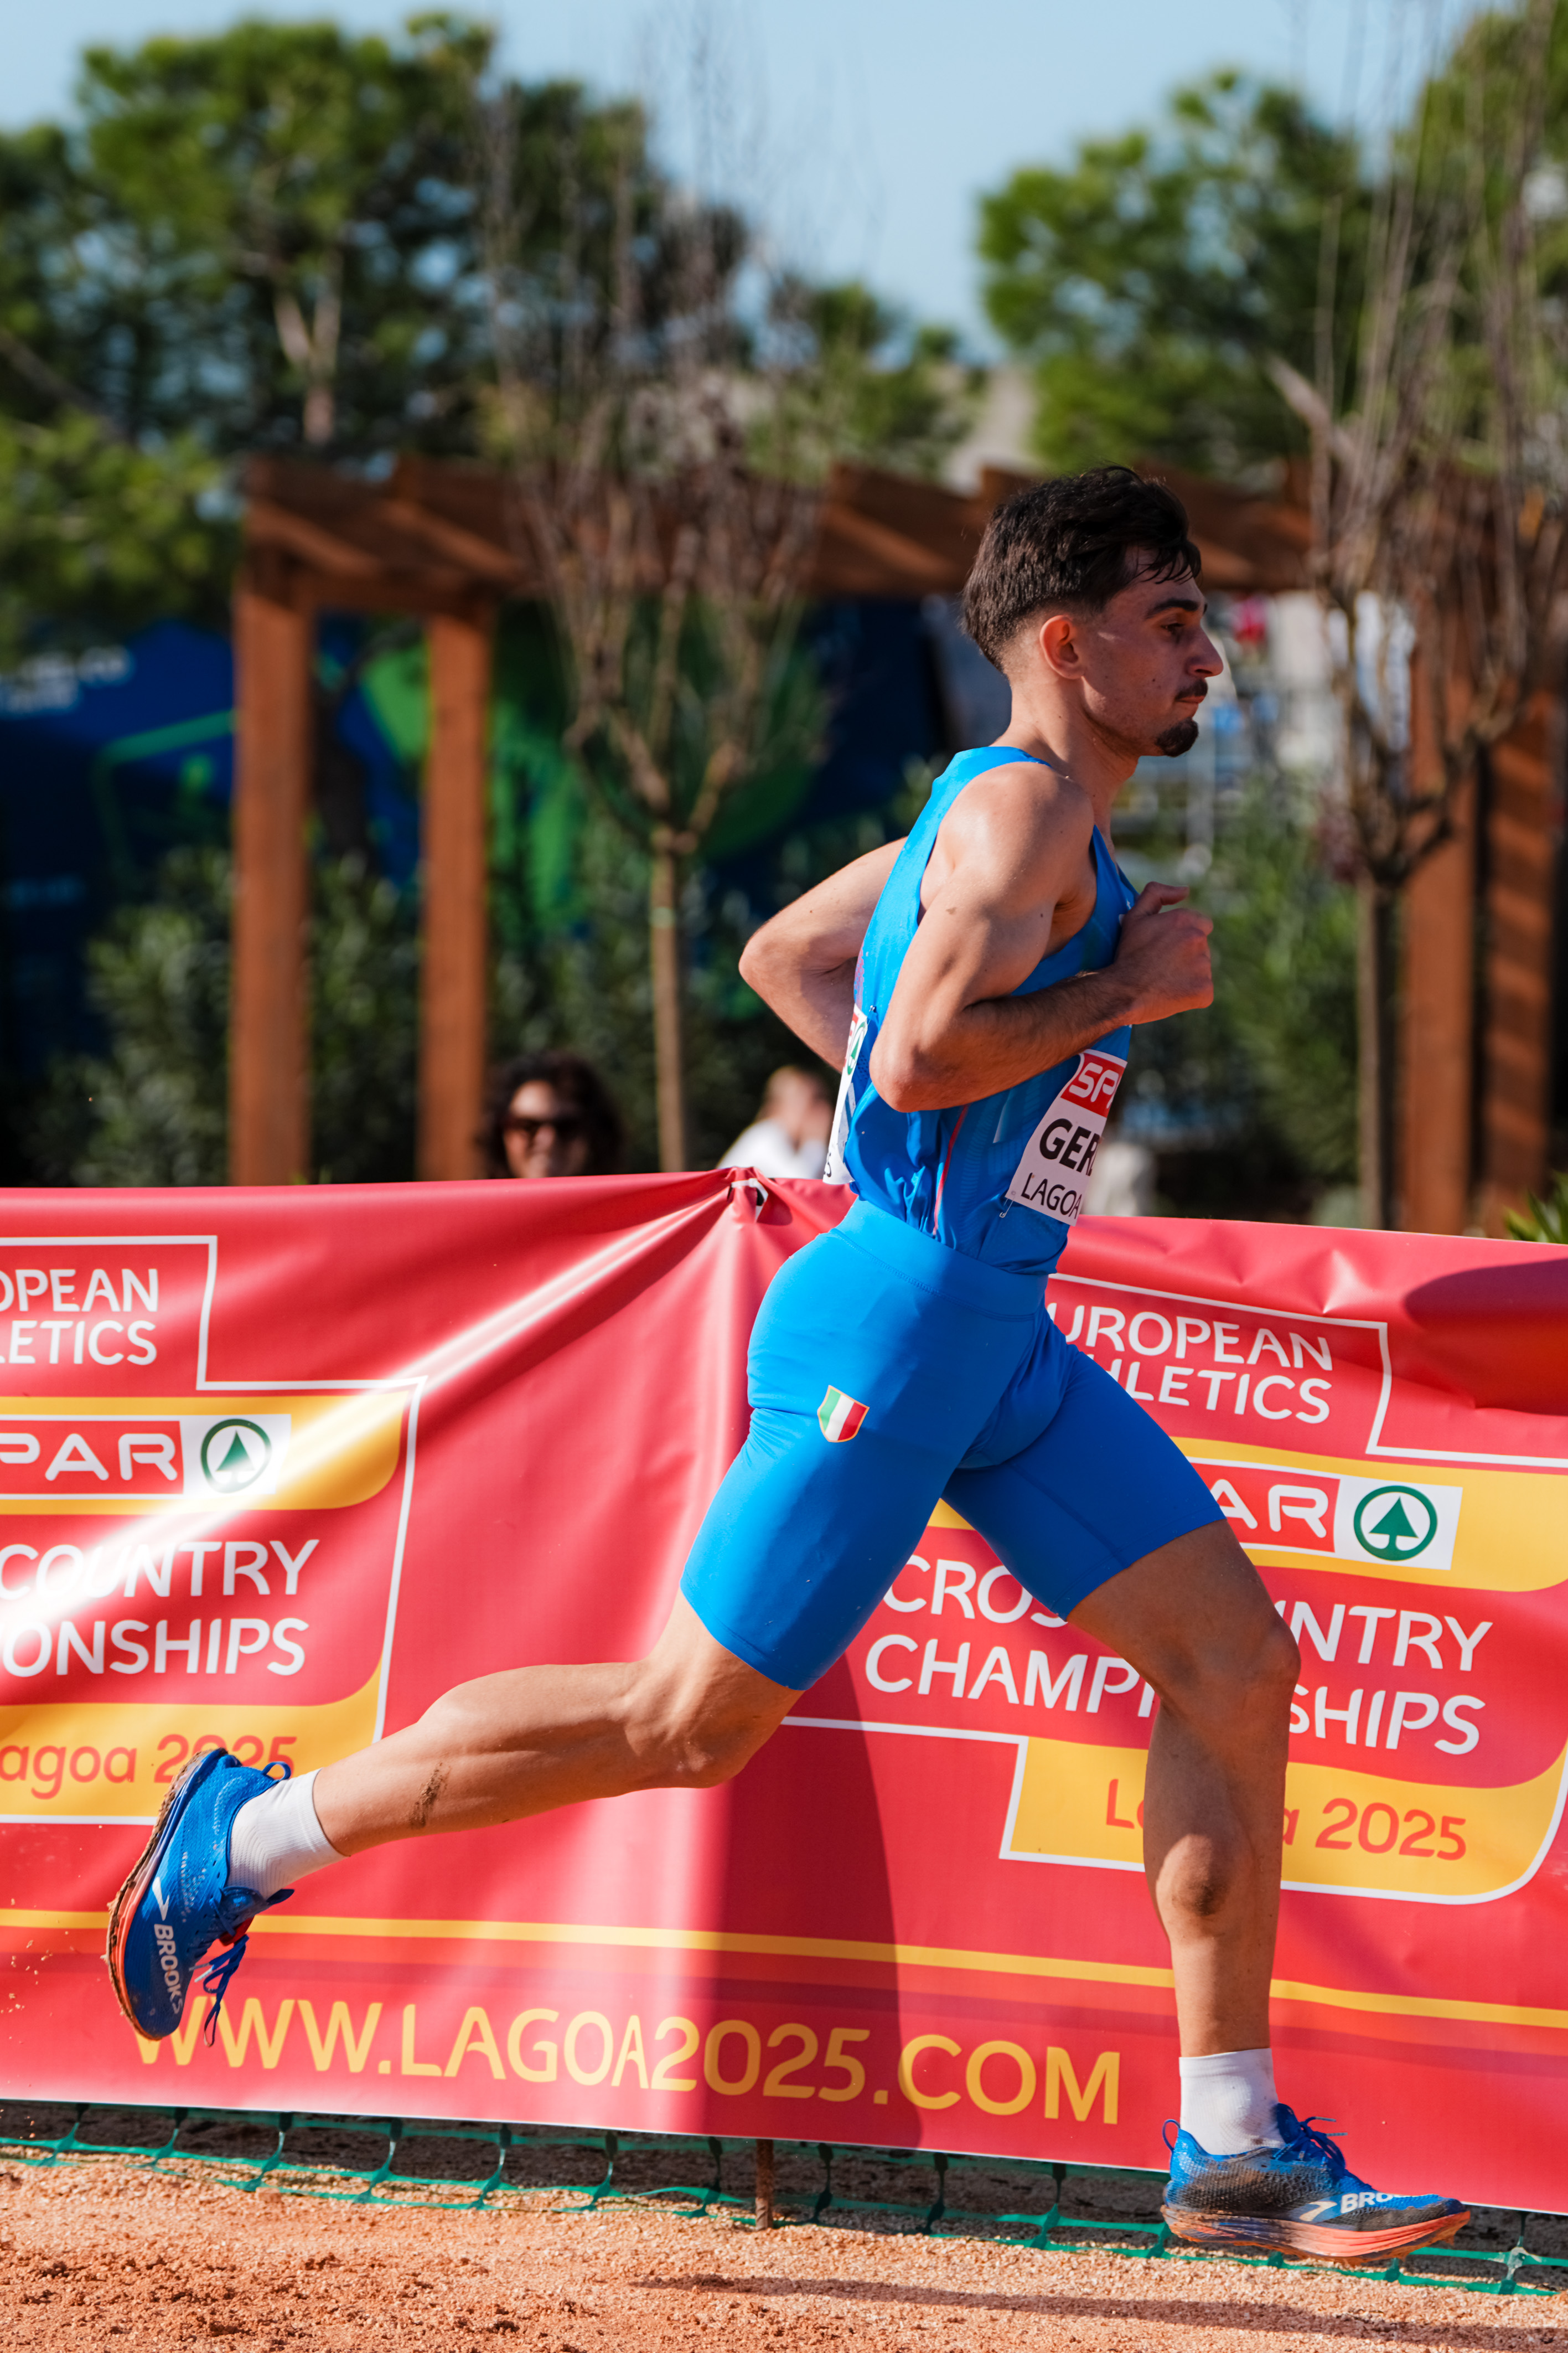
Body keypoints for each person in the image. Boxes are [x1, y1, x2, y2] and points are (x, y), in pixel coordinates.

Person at [108, 468, 1463, 2262]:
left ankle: (1230, 2144)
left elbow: (785, 958)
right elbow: (909, 1062)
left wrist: (948, 1151)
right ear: (1067, 644)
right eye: (1173, 623)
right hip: (900, 1323)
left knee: (1234, 1670)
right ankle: (244, 1838)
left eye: (1202, 622)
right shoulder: (1022, 815)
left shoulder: (1001, 813)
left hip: (989, 1331)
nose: (1208, 656)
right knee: (687, 1725)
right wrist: (1115, 1002)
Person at [479, 1051, 623, 1180]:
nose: (548, 1141)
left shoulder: (628, 1202)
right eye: (527, 1126)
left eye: (566, 1127)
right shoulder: (473, 1202)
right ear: (500, 1133)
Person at [719, 1065, 834, 1180]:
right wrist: (816, 1142)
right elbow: (800, 1182)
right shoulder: (767, 1136)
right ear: (786, 1104)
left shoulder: (789, 1142)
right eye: (814, 1102)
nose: (824, 1110)